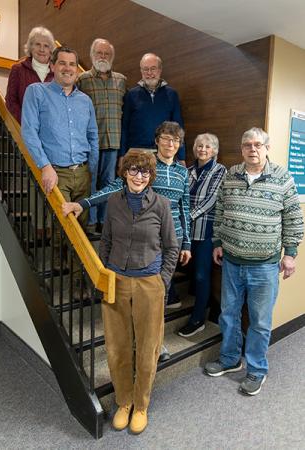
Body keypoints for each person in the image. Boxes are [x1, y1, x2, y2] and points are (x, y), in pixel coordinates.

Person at [64, 150, 179, 433]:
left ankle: (140, 405)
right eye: (133, 170)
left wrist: (162, 281)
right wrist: (103, 274)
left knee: (148, 348)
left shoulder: (161, 204)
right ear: (124, 172)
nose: (138, 176)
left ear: (151, 176)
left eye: (144, 171)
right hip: (116, 283)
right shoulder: (114, 202)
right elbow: (105, 242)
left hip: (149, 283)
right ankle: (123, 401)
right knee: (117, 348)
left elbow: (172, 247)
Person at [62, 121, 191, 358]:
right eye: (165, 138)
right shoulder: (145, 166)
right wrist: (83, 204)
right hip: (144, 241)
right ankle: (133, 341)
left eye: (175, 140)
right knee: (135, 299)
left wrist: (187, 244)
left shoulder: (184, 173)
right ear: (157, 140)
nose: (170, 144)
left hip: (172, 241)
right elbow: (113, 189)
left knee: (159, 296)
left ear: (179, 145)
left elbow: (185, 209)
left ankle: (155, 343)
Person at [204, 127, 304, 396]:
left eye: (258, 144)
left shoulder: (283, 178)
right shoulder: (231, 175)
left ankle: (257, 370)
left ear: (266, 148)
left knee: (259, 321)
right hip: (232, 262)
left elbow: (293, 218)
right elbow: (220, 211)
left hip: (265, 265)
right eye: (247, 144)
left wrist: (291, 254)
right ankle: (229, 360)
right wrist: (217, 243)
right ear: (242, 148)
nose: (252, 149)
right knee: (228, 314)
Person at [21, 46, 99, 293]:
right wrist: (44, 166)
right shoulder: (37, 92)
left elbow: (93, 135)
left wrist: (92, 169)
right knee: (70, 226)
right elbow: (28, 132)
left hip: (83, 172)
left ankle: (57, 255)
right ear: (52, 66)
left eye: (72, 64)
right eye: (62, 63)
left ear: (77, 69)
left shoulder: (85, 100)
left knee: (81, 224)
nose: (67, 68)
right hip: (56, 171)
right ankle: (78, 281)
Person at [178, 133, 226, 338]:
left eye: (208, 146)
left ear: (214, 150)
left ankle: (198, 319)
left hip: (206, 231)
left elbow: (211, 200)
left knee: (201, 275)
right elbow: (180, 197)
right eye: (199, 146)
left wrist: (186, 216)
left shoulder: (220, 170)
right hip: (185, 231)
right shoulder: (186, 171)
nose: (203, 149)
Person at [77, 38, 126, 231]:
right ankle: (90, 222)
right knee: (91, 182)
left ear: (111, 57)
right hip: (91, 142)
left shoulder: (121, 80)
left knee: (109, 183)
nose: (103, 57)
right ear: (92, 55)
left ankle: (104, 222)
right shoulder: (83, 80)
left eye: (107, 54)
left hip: (113, 141)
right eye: (99, 53)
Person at [119, 53, 186, 166]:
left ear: (160, 70)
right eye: (145, 69)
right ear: (141, 71)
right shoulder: (131, 95)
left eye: (153, 69)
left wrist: (181, 156)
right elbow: (124, 127)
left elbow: (178, 128)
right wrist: (121, 155)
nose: (149, 73)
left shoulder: (172, 94)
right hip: (136, 153)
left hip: (164, 152)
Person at [6, 26, 55, 124]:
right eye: (37, 44)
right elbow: (11, 101)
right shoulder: (18, 69)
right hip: (25, 129)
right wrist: (27, 123)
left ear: (50, 50)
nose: (42, 49)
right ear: (31, 47)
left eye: (46, 46)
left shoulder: (57, 73)